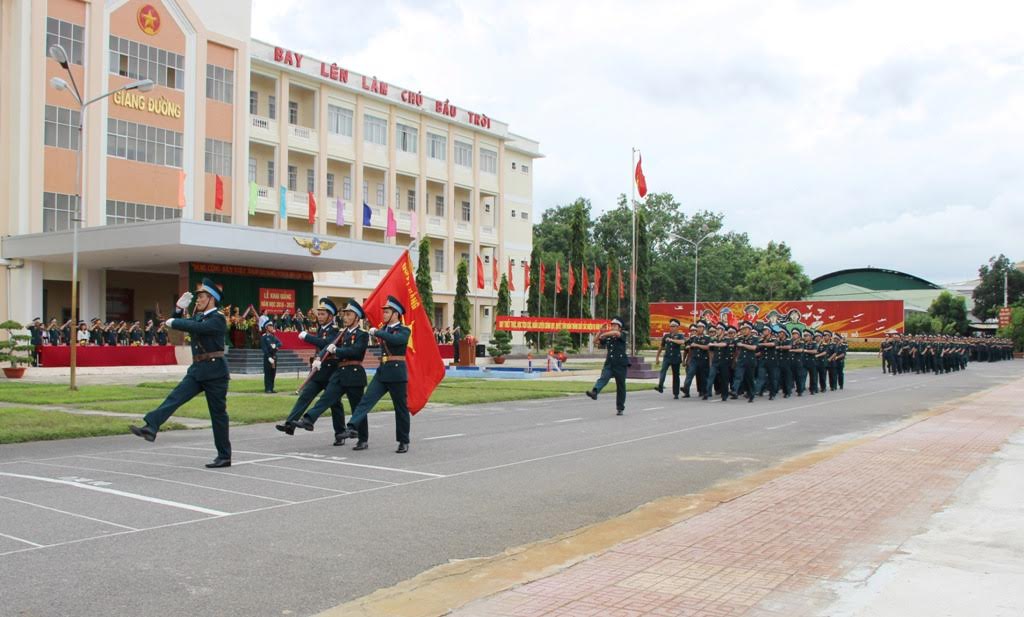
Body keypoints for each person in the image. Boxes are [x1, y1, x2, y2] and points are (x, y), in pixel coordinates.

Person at [130, 278, 232, 468]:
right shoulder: (200, 316)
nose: (198, 299)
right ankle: (151, 426)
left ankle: (224, 455)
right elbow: (184, 324)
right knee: (174, 397)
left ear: (212, 299)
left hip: (215, 372)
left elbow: (195, 327)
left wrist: (176, 320)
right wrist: (177, 310)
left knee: (218, 415)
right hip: (197, 369)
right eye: (199, 296)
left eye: (202, 296)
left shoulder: (217, 318)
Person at [292, 300, 371, 450]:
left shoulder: (362, 335)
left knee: (357, 408)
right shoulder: (342, 334)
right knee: (326, 397)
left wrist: (337, 351)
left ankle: (362, 438)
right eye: (345, 315)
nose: (345, 317)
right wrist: (318, 358)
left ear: (356, 318)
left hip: (354, 373)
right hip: (340, 373)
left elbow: (356, 351)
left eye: (349, 315)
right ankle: (308, 419)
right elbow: (327, 348)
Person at [340, 295, 413, 453]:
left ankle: (403, 440)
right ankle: (352, 427)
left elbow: (396, 340)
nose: (384, 314)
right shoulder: (384, 330)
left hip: (397, 373)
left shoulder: (404, 330)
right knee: (366, 401)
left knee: (400, 408)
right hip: (382, 371)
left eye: (387, 312)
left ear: (396, 314)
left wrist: (378, 332)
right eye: (384, 312)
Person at [276, 298, 346, 445]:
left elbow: (327, 345)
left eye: (322, 314)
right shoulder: (321, 329)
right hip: (319, 370)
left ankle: (340, 433)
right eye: (318, 314)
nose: (319, 317)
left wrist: (308, 337)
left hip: (331, 370)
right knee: (305, 396)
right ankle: (290, 424)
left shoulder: (335, 330)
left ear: (330, 316)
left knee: (334, 403)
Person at [585, 316, 629, 415]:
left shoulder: (622, 334)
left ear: (619, 327)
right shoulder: (609, 337)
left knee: (621, 386)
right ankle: (595, 392)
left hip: (620, 364)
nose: (613, 327)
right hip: (610, 363)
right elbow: (595, 341)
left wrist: (604, 334)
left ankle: (620, 407)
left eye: (615, 325)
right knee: (603, 378)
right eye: (612, 325)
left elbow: (616, 333)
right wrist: (600, 332)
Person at [654, 319, 684, 398]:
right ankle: (660, 386)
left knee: (676, 375)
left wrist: (672, 340)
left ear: (677, 327)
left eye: (673, 326)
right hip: (667, 357)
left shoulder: (680, 335)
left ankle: (676, 393)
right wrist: (657, 357)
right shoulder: (666, 336)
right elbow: (661, 347)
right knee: (663, 371)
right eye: (670, 326)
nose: (671, 328)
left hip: (675, 358)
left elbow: (682, 342)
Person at [731, 322, 760, 402]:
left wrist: (743, 345)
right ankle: (734, 390)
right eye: (742, 329)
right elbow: (733, 344)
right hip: (741, 361)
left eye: (745, 329)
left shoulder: (755, 338)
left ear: (750, 330)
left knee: (750, 379)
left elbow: (754, 348)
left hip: (750, 361)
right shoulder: (740, 338)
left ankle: (751, 394)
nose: (743, 331)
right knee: (738, 376)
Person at [682, 321, 710, 398]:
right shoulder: (693, 338)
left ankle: (705, 393)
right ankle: (686, 389)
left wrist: (697, 345)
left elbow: (707, 347)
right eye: (698, 327)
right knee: (690, 374)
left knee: (703, 377)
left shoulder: (707, 338)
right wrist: (687, 358)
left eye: (700, 327)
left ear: (703, 328)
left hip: (703, 360)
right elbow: (687, 346)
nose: (699, 329)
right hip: (694, 359)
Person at [261, 321, 282, 394]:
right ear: (267, 328)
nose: (272, 327)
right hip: (268, 357)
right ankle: (267, 388)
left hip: (274, 356)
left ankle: (272, 388)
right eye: (270, 326)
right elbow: (264, 348)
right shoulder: (264, 337)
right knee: (267, 373)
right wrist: (269, 357)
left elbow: (280, 343)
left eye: (272, 326)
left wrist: (276, 346)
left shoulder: (273, 337)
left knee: (273, 373)